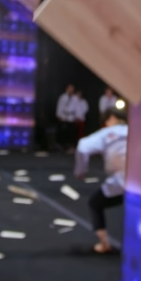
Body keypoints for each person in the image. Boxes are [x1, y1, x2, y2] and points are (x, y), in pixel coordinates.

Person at [74, 108, 128, 254]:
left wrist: (81, 170)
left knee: (95, 203)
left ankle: (104, 244)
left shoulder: (107, 133)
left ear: (111, 118)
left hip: (121, 181)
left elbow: (83, 146)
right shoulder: (136, 130)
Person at [55, 84, 79, 152]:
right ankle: (63, 146)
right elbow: (59, 106)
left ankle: (71, 146)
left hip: (72, 117)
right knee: (64, 132)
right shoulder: (63, 97)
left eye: (72, 89)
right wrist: (59, 115)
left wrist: (77, 116)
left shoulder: (75, 98)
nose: (71, 90)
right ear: (67, 89)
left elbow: (77, 107)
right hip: (64, 116)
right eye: (70, 89)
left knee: (72, 133)